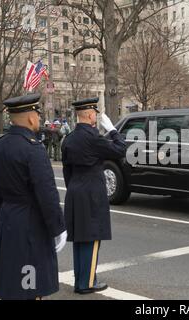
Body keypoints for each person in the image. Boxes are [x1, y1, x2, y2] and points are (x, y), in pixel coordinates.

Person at [0, 93, 67, 300]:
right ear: (31, 118)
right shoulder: (33, 149)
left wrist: (7, 214)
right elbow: (47, 194)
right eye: (37, 115)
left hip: (8, 219)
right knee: (30, 287)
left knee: (11, 284)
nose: (38, 119)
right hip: (31, 225)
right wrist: (58, 228)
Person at [61, 98, 126, 294]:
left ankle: (81, 279)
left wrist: (74, 188)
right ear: (90, 115)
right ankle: (87, 283)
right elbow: (121, 149)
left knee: (80, 238)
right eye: (95, 114)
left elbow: (66, 170)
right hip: (91, 192)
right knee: (92, 237)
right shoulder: (93, 138)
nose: (96, 117)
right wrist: (113, 131)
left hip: (74, 190)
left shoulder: (69, 139)